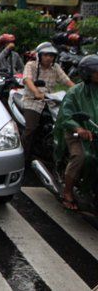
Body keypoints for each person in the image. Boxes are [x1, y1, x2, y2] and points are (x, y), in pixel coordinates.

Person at [54, 55, 98, 210]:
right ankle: (67, 192)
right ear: (87, 73)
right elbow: (66, 115)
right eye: (96, 72)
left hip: (96, 133)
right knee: (82, 157)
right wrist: (79, 128)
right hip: (77, 133)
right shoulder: (75, 92)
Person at [21, 42, 75, 158]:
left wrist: (79, 90)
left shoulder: (55, 67)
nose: (48, 58)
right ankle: (23, 157)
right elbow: (27, 79)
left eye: (51, 55)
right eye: (45, 55)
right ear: (39, 56)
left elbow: (66, 81)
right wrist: (36, 92)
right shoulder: (31, 65)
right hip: (32, 101)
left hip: (50, 101)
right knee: (31, 129)